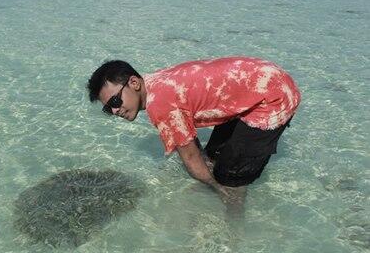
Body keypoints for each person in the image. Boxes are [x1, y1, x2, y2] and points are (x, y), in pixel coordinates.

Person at [87, 56, 301, 209]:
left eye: (115, 101)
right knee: (213, 157)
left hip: (274, 97)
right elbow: (192, 145)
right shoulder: (154, 82)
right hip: (260, 81)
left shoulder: (160, 104)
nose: (115, 111)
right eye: (108, 109)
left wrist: (218, 188)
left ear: (133, 82)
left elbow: (189, 157)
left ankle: (234, 236)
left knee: (231, 178)